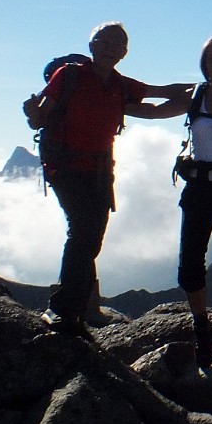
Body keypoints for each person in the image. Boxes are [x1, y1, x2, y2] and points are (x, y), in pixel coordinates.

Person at [23, 22, 189, 338]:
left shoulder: (118, 85)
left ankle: (79, 307)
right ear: (92, 45)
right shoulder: (69, 76)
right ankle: (64, 310)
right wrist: (31, 112)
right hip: (65, 167)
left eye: (119, 44)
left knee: (92, 236)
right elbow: (40, 117)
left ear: (125, 53)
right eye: (106, 41)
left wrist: (209, 89)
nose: (112, 48)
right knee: (83, 226)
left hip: (99, 172)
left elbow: (159, 96)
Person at [130, 35, 212, 370]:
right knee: (190, 265)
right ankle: (202, 327)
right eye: (210, 59)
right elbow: (155, 112)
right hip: (199, 191)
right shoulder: (196, 95)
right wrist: (112, 104)